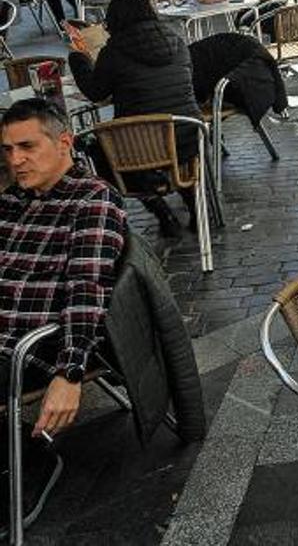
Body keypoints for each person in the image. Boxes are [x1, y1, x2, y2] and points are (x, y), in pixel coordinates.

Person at [0, 99, 128, 523]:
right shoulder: (14, 199)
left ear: (64, 143)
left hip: (28, 347)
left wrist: (70, 372)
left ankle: (29, 463)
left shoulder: (91, 200)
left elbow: (86, 290)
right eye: (7, 149)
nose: (15, 160)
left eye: (27, 147)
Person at [66, 0, 202, 237]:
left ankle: (161, 211)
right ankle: (195, 207)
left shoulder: (113, 52)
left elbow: (96, 92)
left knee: (99, 150)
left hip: (137, 148)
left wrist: (78, 57)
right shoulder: (178, 41)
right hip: (188, 136)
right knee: (168, 149)